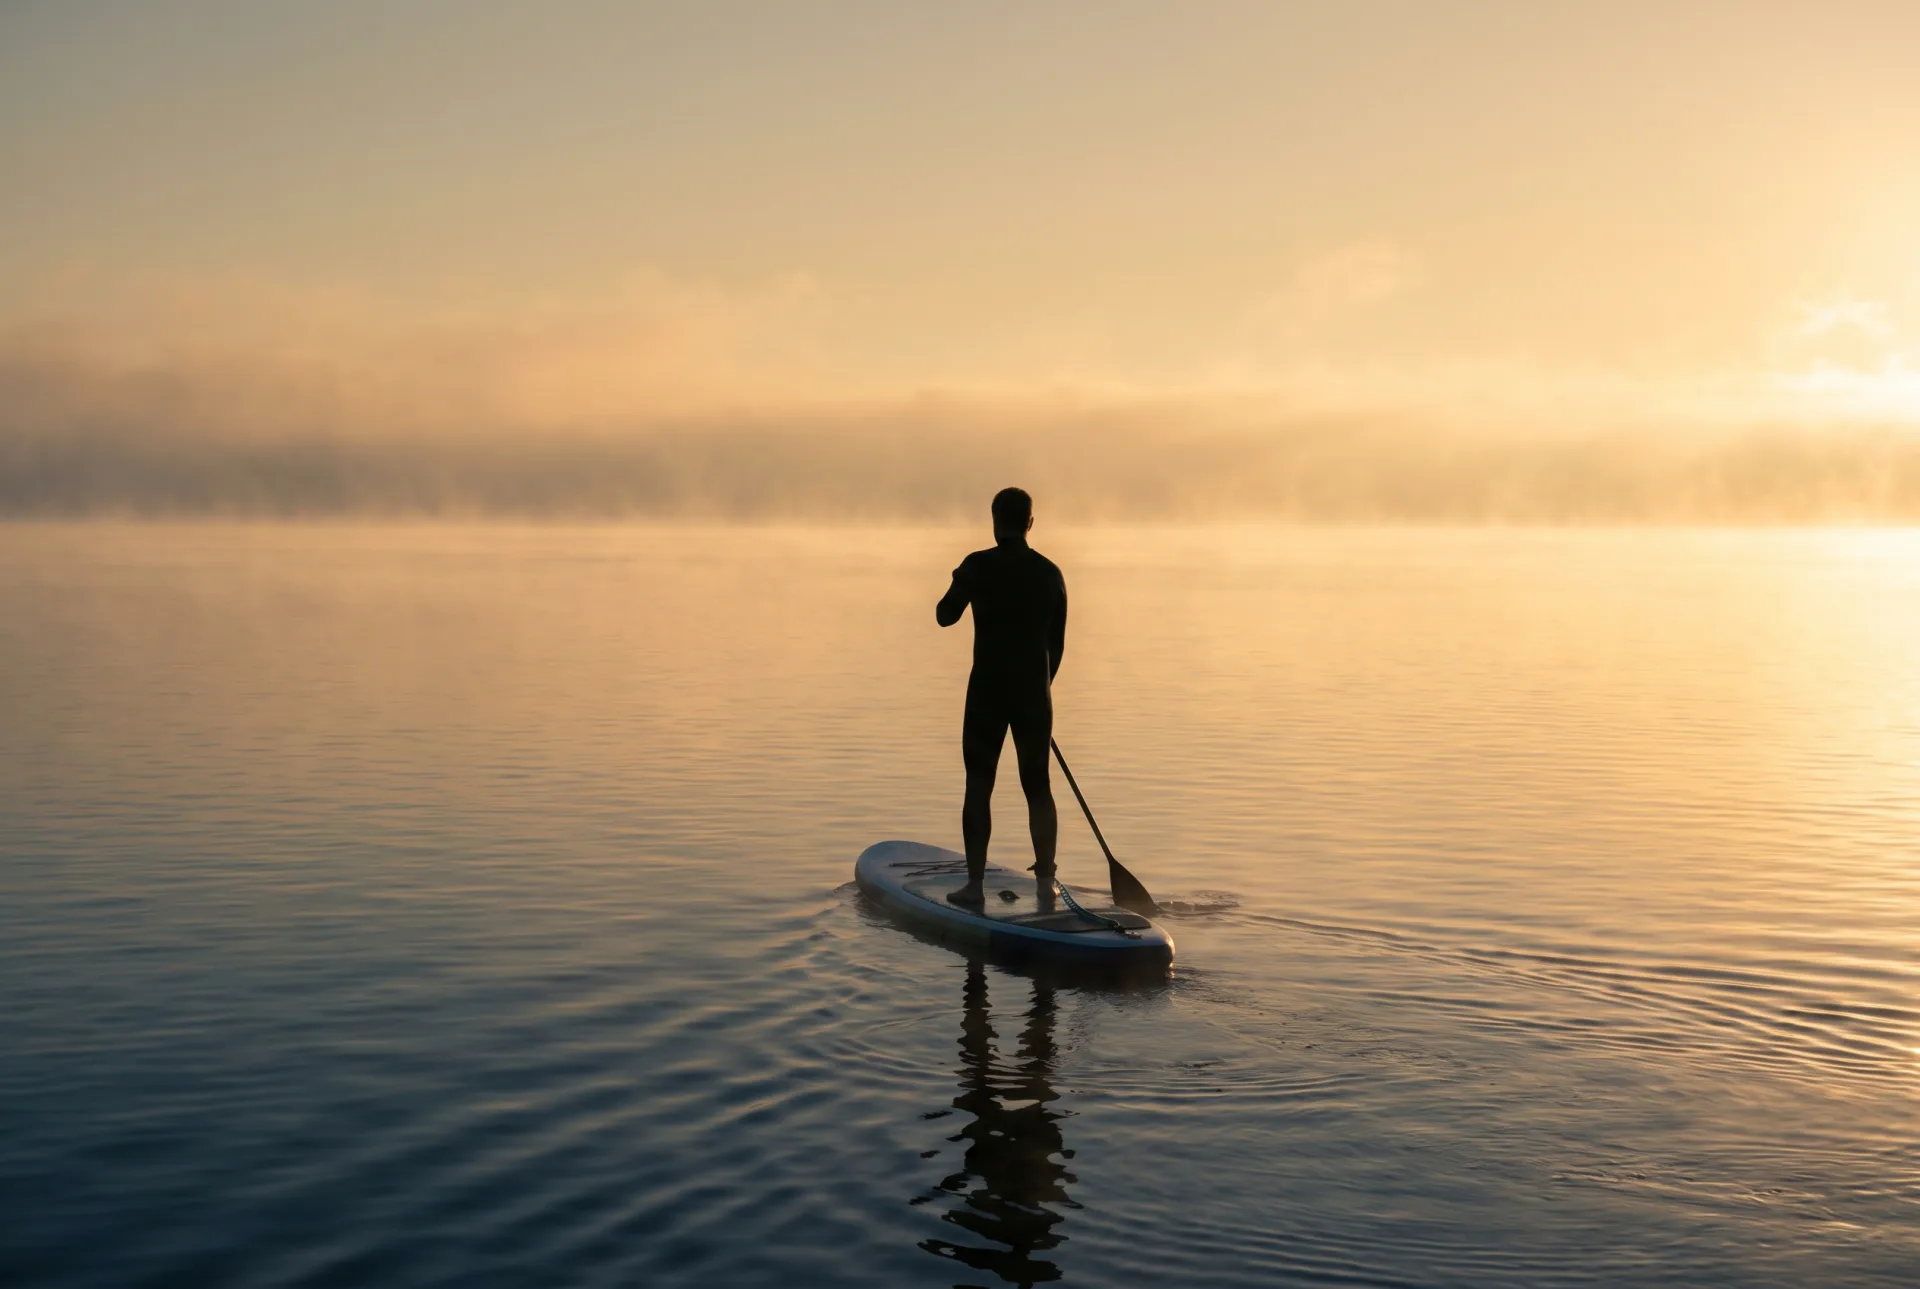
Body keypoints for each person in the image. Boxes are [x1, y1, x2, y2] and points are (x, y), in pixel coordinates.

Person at [935, 487, 1067, 908]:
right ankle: (1046, 884)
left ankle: (974, 886)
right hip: (1033, 694)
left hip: (987, 693)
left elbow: (944, 616)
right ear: (1030, 523)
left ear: (994, 520)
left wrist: (960, 579)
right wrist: (1039, 691)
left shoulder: (977, 566)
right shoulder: (1050, 574)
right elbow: (1057, 647)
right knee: (1038, 787)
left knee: (979, 785)